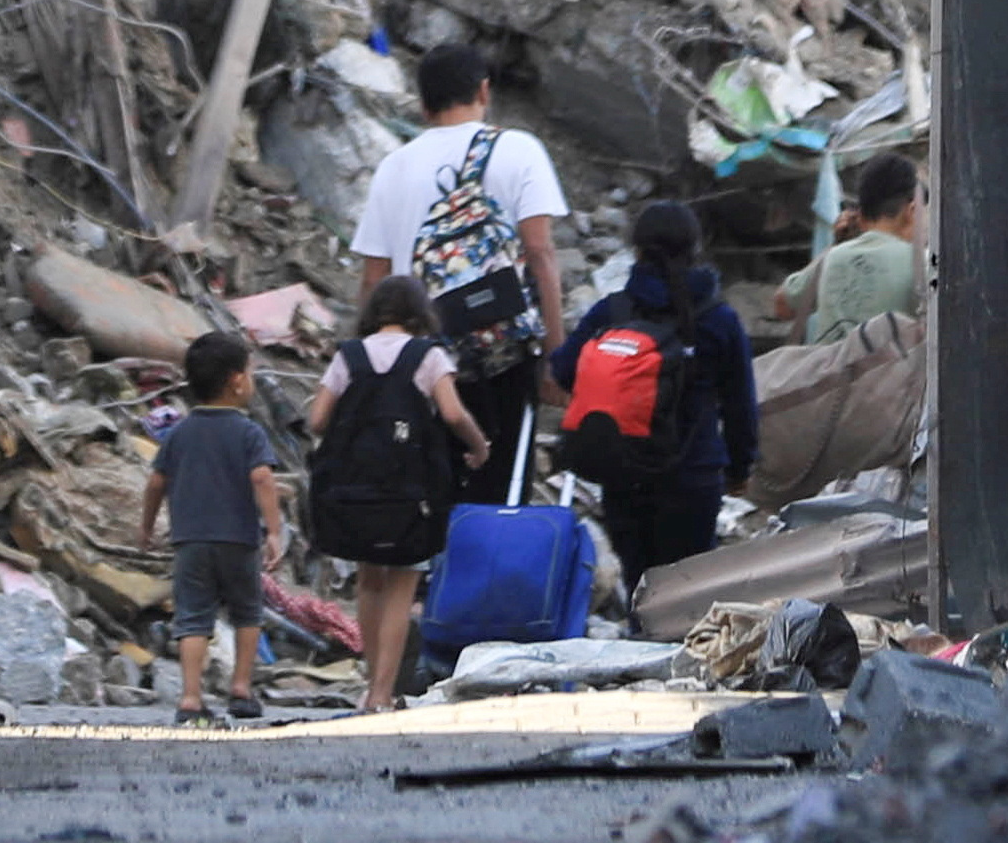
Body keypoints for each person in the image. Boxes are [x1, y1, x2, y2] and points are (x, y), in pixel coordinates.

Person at [351, 43, 569, 507]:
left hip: (424, 357)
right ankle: (481, 575)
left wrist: (368, 370)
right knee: (501, 494)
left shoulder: (394, 167)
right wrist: (555, 356)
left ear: (423, 103)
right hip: (506, 354)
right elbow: (540, 253)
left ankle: (433, 577)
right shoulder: (519, 150)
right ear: (483, 90)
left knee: (432, 489)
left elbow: (375, 279)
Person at [306, 276, 490, 714]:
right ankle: (382, 694)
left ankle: (372, 683)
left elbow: (316, 421)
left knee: (369, 581)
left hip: (355, 491)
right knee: (402, 587)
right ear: (419, 313)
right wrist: (478, 445)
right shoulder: (428, 356)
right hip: (411, 491)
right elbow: (451, 412)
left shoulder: (348, 356)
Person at [549, 201, 760, 582]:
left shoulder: (611, 313)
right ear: (696, 249)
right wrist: (740, 469)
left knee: (638, 586)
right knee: (689, 590)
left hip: (624, 475)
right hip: (694, 478)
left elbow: (562, 370)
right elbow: (740, 405)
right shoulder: (718, 319)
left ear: (637, 250)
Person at [135, 333, 285, 728]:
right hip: (239, 539)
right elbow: (263, 479)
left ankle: (189, 697)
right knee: (248, 612)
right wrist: (274, 530)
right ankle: (240, 687)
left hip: (191, 541)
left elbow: (155, 483)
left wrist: (147, 527)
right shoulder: (249, 432)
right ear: (237, 381)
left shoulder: (179, 433)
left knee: (193, 617)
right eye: (250, 372)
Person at [807, 154, 925, 345]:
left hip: (830, 373)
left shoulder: (831, 258)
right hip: (897, 374)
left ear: (859, 217)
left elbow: (782, 305)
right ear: (911, 212)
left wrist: (836, 245)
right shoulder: (925, 265)